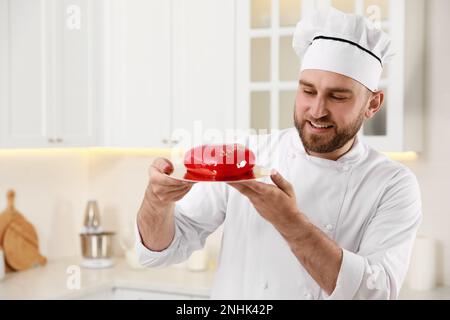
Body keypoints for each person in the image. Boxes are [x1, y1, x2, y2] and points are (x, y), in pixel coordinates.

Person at [135, 7, 422, 300]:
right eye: (308, 91)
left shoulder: (392, 184)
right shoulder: (251, 155)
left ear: (373, 103)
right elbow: (161, 251)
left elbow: (375, 294)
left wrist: (289, 220)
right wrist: (155, 203)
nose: (317, 110)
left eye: (337, 96)